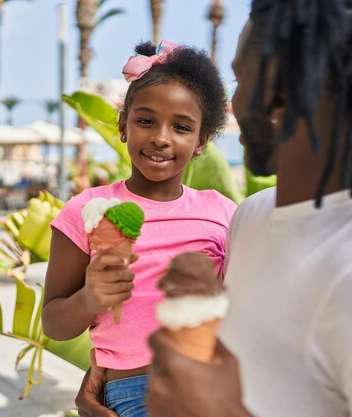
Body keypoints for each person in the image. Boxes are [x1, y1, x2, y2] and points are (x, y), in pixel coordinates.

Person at [78, 1, 352, 416]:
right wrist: (109, 383)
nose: (231, 103)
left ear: (280, 100)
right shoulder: (249, 218)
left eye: (239, 81)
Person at [42, 40, 236, 417]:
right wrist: (89, 300)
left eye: (181, 127)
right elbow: (54, 323)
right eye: (145, 120)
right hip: (132, 394)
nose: (161, 137)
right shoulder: (84, 211)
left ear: (201, 142)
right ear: (123, 125)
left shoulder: (222, 211)